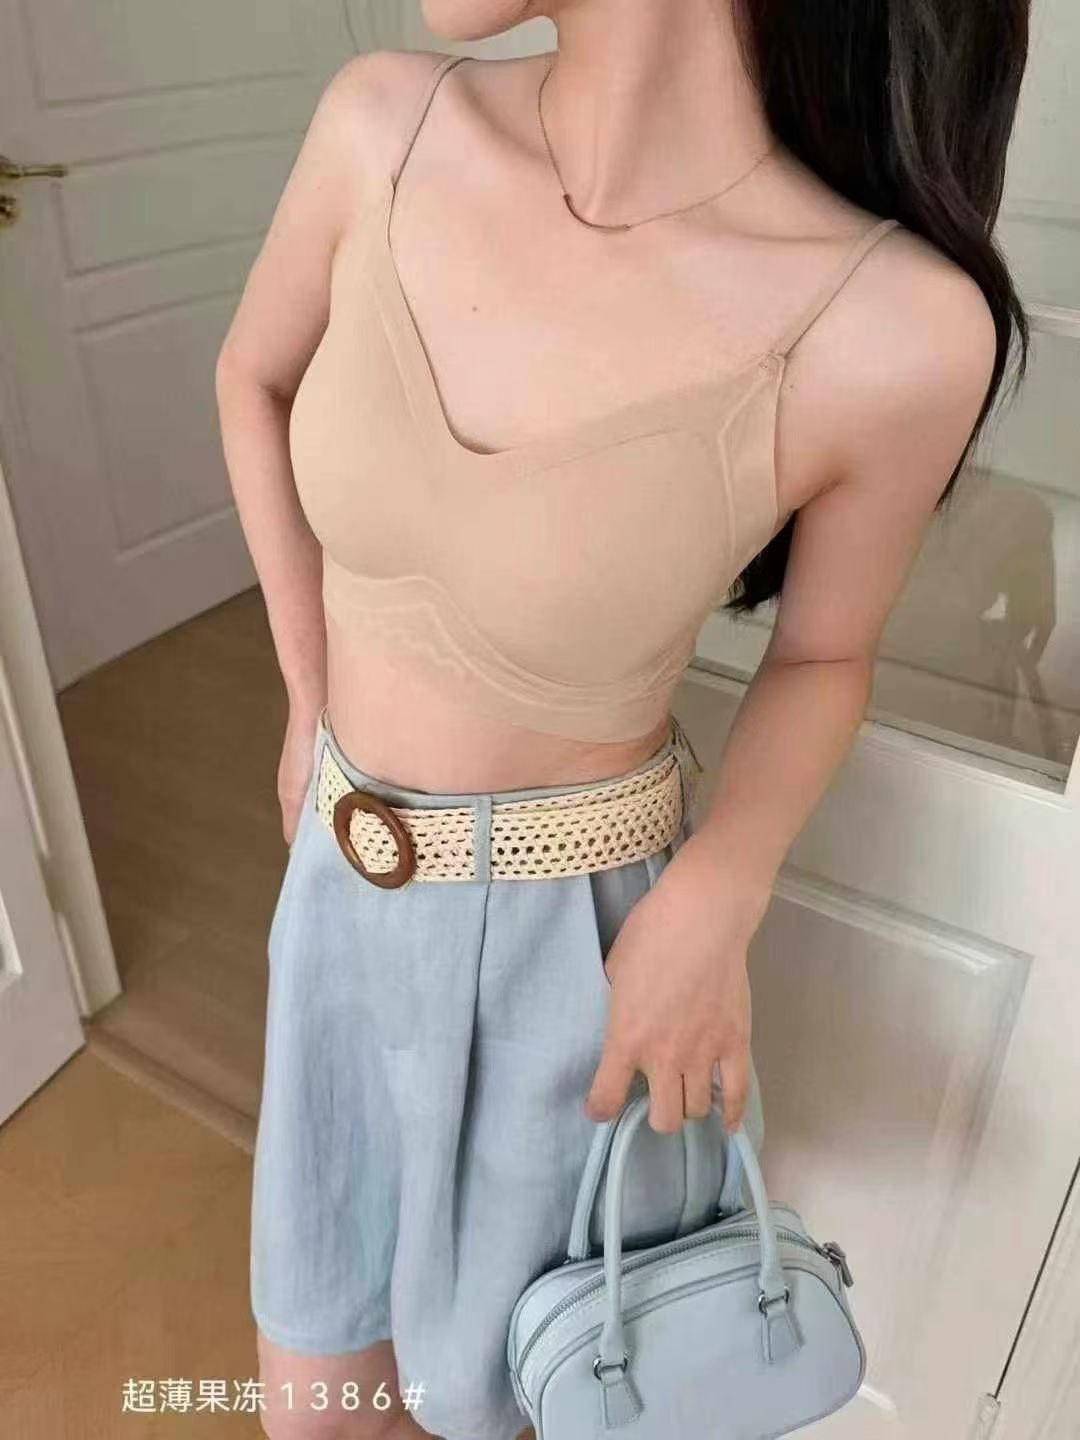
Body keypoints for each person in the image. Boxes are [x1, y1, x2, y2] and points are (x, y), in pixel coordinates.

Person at [214, 2, 1029, 1437]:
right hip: (339, 890)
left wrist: (722, 887)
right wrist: (305, 702)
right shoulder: (380, 124)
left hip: (575, 954)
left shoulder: (896, 326)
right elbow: (254, 379)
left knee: (525, 1395)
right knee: (318, 1404)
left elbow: (825, 652)